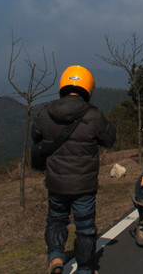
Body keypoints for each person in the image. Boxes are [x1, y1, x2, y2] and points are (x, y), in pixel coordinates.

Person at [32, 65, 116, 274]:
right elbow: (109, 140)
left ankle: (55, 257)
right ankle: (84, 269)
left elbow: (36, 136)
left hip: (56, 182)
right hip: (84, 185)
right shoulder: (93, 115)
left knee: (56, 219)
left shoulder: (45, 112)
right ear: (88, 87)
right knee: (85, 228)